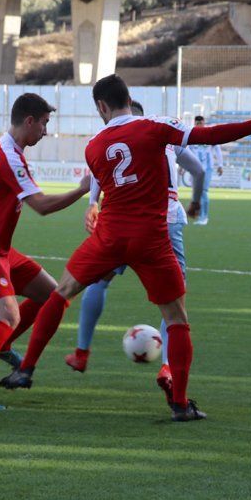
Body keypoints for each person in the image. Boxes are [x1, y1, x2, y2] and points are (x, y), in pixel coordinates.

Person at [0, 74, 251, 422]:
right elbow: (208, 135)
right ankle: (180, 404)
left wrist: (93, 204)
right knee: (176, 318)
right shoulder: (156, 127)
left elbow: (101, 184)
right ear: (129, 98)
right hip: (152, 239)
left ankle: (28, 368)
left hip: (109, 237)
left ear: (101, 106)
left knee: (62, 292)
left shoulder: (94, 145)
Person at [0, 93, 90, 411]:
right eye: (44, 123)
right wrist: (82, 190)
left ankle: (4, 345)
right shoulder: (7, 156)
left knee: (54, 295)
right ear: (29, 121)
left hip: (0, 251)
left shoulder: (12, 151)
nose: (46, 131)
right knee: (8, 316)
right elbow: (40, 206)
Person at [64, 100, 207, 405]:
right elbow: (199, 170)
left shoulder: (112, 141)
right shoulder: (163, 137)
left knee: (97, 283)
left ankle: (81, 352)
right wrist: (195, 201)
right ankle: (168, 369)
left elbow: (100, 176)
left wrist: (93, 202)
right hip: (165, 222)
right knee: (174, 306)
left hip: (121, 224)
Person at [191, 115, 223, 225]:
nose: (199, 125)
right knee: (197, 193)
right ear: (195, 124)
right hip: (196, 168)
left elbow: (217, 150)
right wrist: (182, 167)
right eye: (197, 124)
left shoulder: (209, 135)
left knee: (203, 191)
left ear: (204, 123)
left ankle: (204, 217)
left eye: (201, 123)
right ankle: (200, 216)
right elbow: (187, 152)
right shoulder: (192, 136)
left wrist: (220, 165)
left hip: (207, 168)